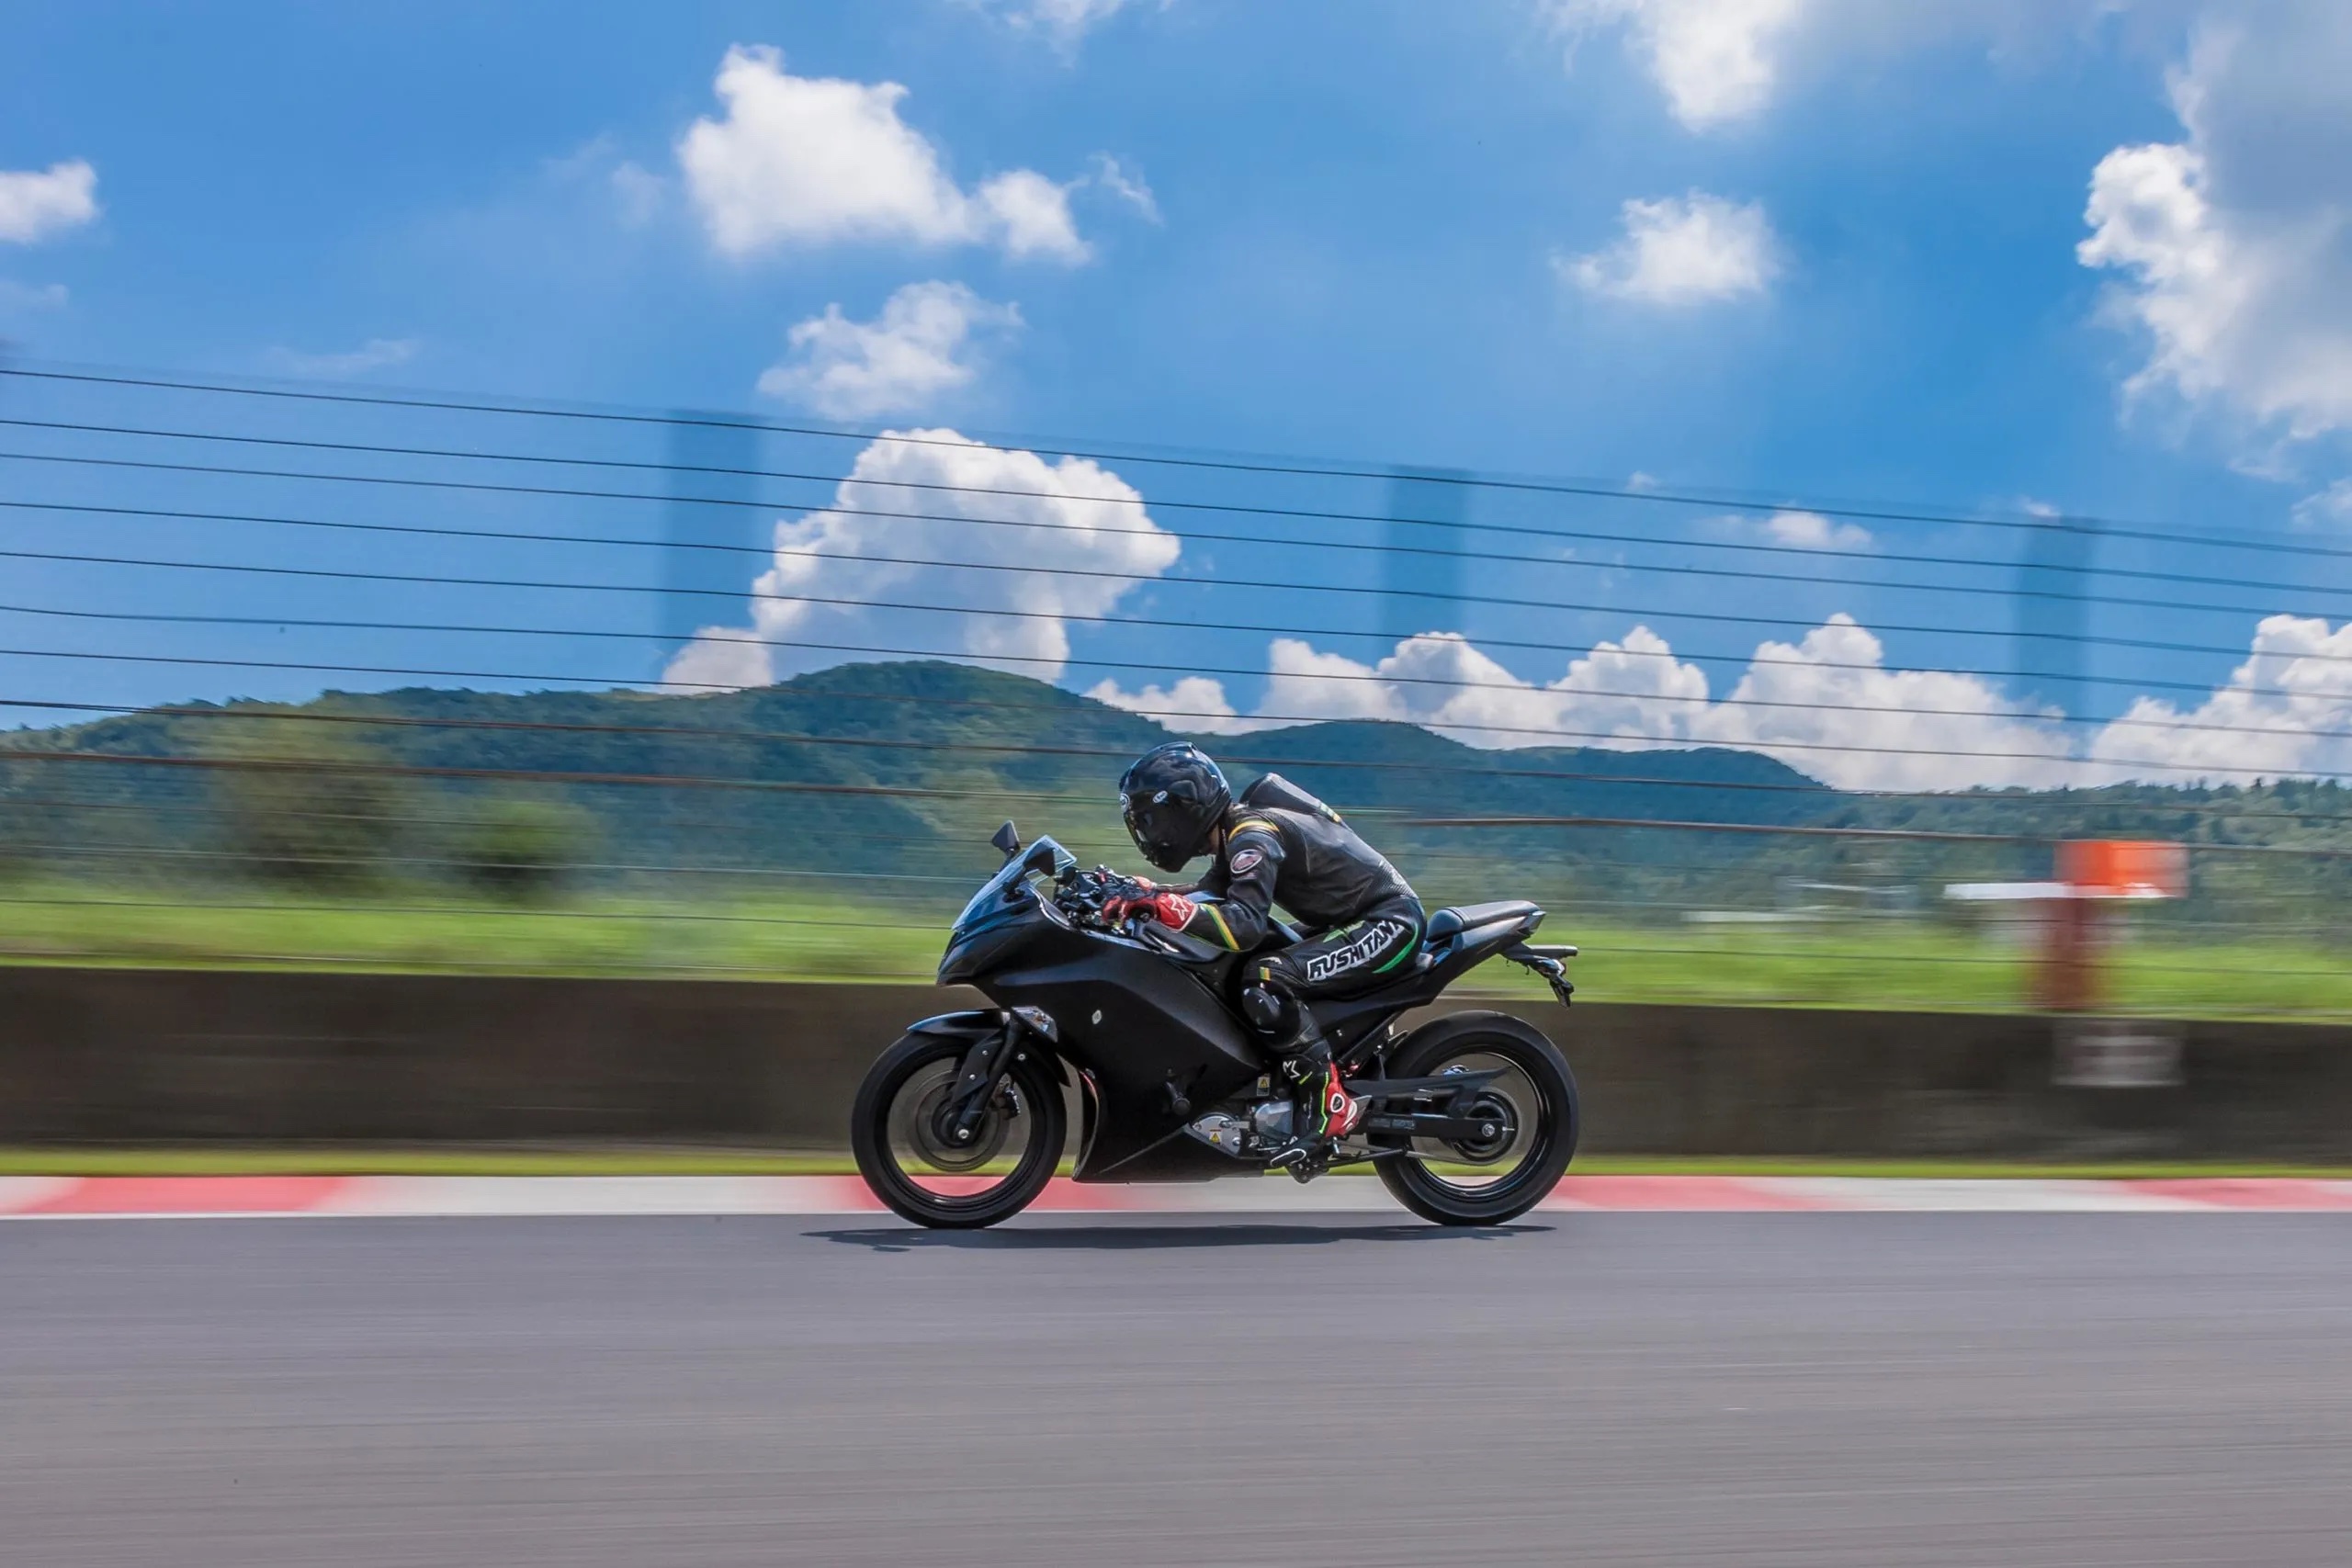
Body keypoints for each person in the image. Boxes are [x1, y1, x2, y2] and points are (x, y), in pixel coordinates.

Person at [1105, 740, 1425, 1169]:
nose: (1150, 834)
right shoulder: (1233, 839)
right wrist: (1144, 893)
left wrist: (1165, 905)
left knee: (1267, 977)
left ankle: (1329, 1102)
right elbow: (1209, 894)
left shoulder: (1253, 835)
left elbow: (1243, 925)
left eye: (1153, 820)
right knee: (1247, 972)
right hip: (1351, 921)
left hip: (1390, 923)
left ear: (1185, 807)